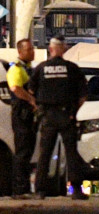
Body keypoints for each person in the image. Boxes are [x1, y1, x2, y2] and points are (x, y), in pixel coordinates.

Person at [29, 36, 89, 200]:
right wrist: (73, 111)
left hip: (48, 116)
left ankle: (40, 190)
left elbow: (31, 92)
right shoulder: (72, 68)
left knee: (45, 154)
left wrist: (39, 109)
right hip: (66, 115)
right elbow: (83, 95)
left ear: (50, 49)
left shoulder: (41, 68)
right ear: (63, 49)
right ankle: (76, 190)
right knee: (71, 154)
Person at [6, 39, 37, 199]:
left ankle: (24, 187)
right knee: (22, 152)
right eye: (29, 49)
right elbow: (16, 88)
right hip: (21, 115)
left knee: (27, 150)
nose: (33, 52)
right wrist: (31, 100)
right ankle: (19, 189)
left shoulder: (28, 68)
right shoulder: (16, 69)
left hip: (28, 115)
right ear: (20, 51)